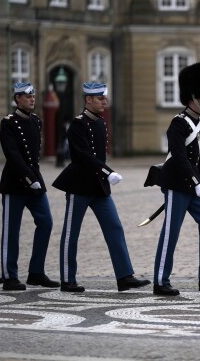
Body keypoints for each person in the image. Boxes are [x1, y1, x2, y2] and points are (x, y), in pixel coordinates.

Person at [52, 82, 150, 293]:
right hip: (79, 185)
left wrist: (104, 175)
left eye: (104, 98)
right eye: (100, 99)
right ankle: (68, 280)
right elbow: (84, 156)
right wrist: (107, 171)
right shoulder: (78, 124)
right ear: (88, 100)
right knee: (71, 233)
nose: (104, 101)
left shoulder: (101, 123)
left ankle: (125, 276)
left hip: (98, 187)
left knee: (114, 228)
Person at [150, 62, 200, 296]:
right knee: (171, 231)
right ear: (192, 98)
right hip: (176, 184)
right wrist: (196, 184)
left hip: (194, 186)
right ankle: (160, 280)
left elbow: (199, 160)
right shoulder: (178, 123)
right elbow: (179, 157)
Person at [0, 82, 59, 291]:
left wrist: (35, 180)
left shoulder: (36, 121)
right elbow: (13, 155)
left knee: (46, 222)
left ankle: (36, 272)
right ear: (17, 99)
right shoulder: (8, 123)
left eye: (33, 96)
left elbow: (34, 155)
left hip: (35, 182)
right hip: (15, 183)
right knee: (11, 231)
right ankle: (10, 276)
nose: (32, 99)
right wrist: (27, 177)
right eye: (27, 96)